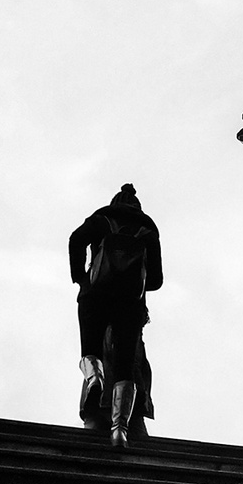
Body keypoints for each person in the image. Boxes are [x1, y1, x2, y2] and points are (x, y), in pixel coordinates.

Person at [68, 184, 163, 449]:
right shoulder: (147, 230)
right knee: (125, 365)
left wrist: (82, 279)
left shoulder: (101, 219)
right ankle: (120, 430)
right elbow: (156, 280)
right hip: (130, 304)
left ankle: (94, 379)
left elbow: (76, 240)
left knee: (92, 348)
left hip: (95, 295)